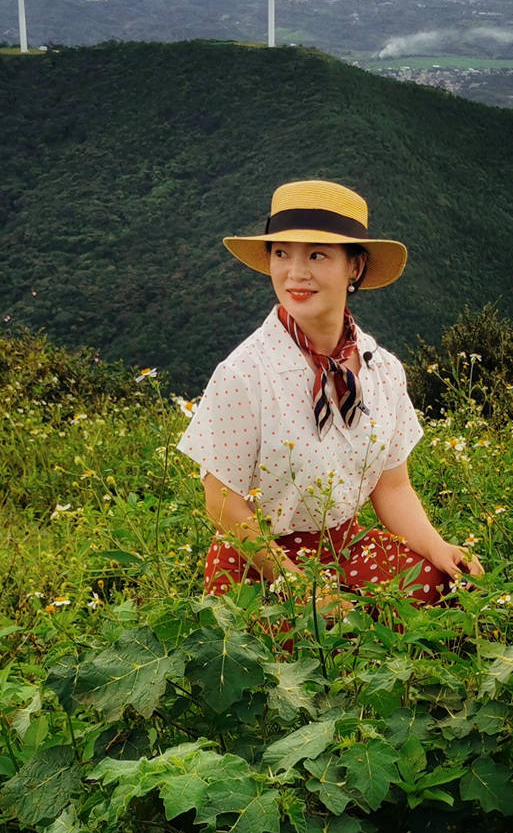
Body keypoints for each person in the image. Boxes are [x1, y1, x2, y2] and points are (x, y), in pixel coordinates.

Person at [177, 179, 483, 623]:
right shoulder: (245, 372)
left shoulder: (383, 370)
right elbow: (221, 503)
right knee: (299, 659)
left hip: (344, 547)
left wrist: (439, 547)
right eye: (282, 253)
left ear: (354, 268)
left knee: (442, 587)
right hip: (258, 564)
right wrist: (296, 584)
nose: (295, 272)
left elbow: (392, 486)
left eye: (317, 255)